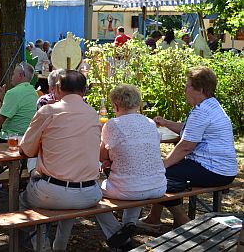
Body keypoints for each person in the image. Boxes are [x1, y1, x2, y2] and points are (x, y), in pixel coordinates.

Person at [138, 67, 237, 231]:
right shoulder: (210, 105)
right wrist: (166, 122)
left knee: (158, 176)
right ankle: (153, 219)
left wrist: (162, 165)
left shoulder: (202, 111)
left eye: (188, 86)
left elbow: (185, 147)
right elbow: (188, 129)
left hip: (214, 170)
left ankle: (185, 223)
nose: (185, 90)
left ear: (201, 89)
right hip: (223, 168)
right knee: (165, 173)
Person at [19, 70, 102, 251]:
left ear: (57, 88)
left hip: (53, 192)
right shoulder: (93, 114)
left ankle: (42, 247)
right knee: (69, 196)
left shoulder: (48, 111)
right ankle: (60, 246)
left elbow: (26, 150)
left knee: (26, 200)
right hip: (91, 193)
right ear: (84, 90)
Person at [94, 84, 166, 250]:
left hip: (129, 188)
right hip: (158, 185)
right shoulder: (149, 123)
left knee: (89, 194)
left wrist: (110, 159)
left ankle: (117, 235)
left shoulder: (113, 124)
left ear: (116, 105)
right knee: (136, 177)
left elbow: (101, 156)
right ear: (137, 104)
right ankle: (129, 225)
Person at [0, 62, 38, 144]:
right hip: (28, 137)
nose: (12, 76)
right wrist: (2, 98)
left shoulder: (13, 92)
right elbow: (16, 108)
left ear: (21, 75)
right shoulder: (33, 92)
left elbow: (1, 118)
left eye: (13, 74)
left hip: (12, 138)